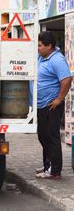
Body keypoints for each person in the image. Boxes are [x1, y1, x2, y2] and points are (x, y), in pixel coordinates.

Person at [35, 31, 72, 179]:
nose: (37, 48)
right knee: (43, 136)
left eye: (40, 45)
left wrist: (59, 99)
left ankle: (55, 171)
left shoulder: (57, 60)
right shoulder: (43, 57)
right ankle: (47, 166)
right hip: (41, 105)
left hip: (51, 105)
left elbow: (67, 79)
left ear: (49, 46)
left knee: (51, 137)